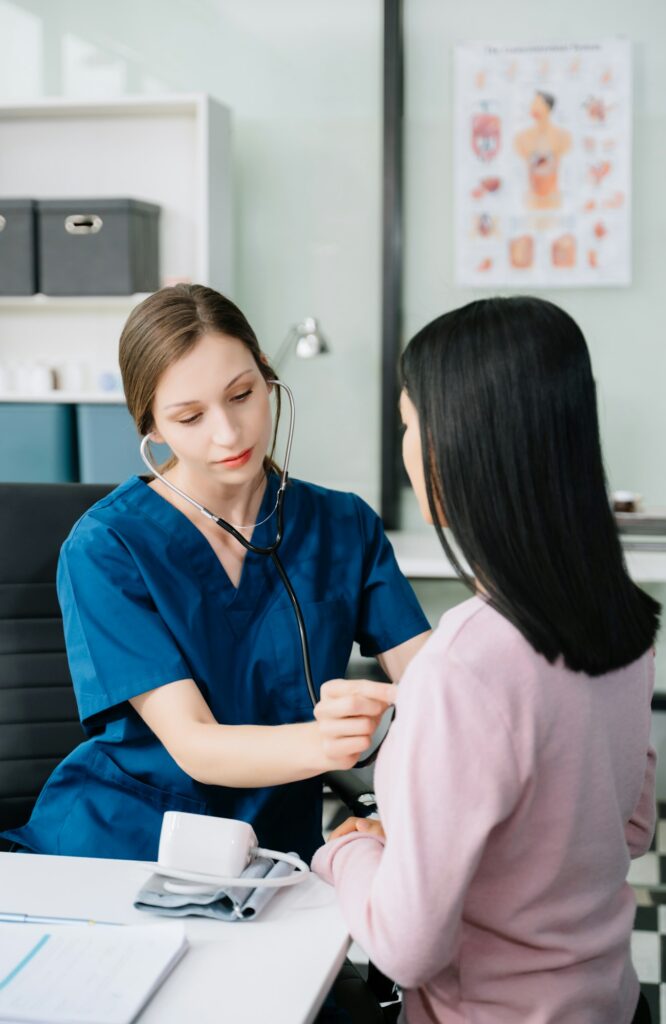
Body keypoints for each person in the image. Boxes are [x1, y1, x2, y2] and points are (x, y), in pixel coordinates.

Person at [312, 296, 659, 1024]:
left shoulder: (463, 664)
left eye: (407, 421)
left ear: (454, 445)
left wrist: (348, 849)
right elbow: (630, 829)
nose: (403, 441)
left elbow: (407, 950)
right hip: (609, 1004)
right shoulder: (620, 616)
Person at [3, 284, 430, 863]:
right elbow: (197, 747)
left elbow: (436, 687)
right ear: (150, 426)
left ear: (267, 376)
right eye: (190, 416)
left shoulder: (343, 525)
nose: (228, 434)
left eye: (242, 395)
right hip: (124, 851)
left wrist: (394, 808)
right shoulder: (109, 546)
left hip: (278, 856)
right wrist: (338, 743)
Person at [514, 91, 572, 210]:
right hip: (531, 203)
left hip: (554, 202)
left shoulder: (563, 136)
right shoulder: (521, 137)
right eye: (533, 104)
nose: (534, 108)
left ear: (549, 108)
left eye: (538, 104)